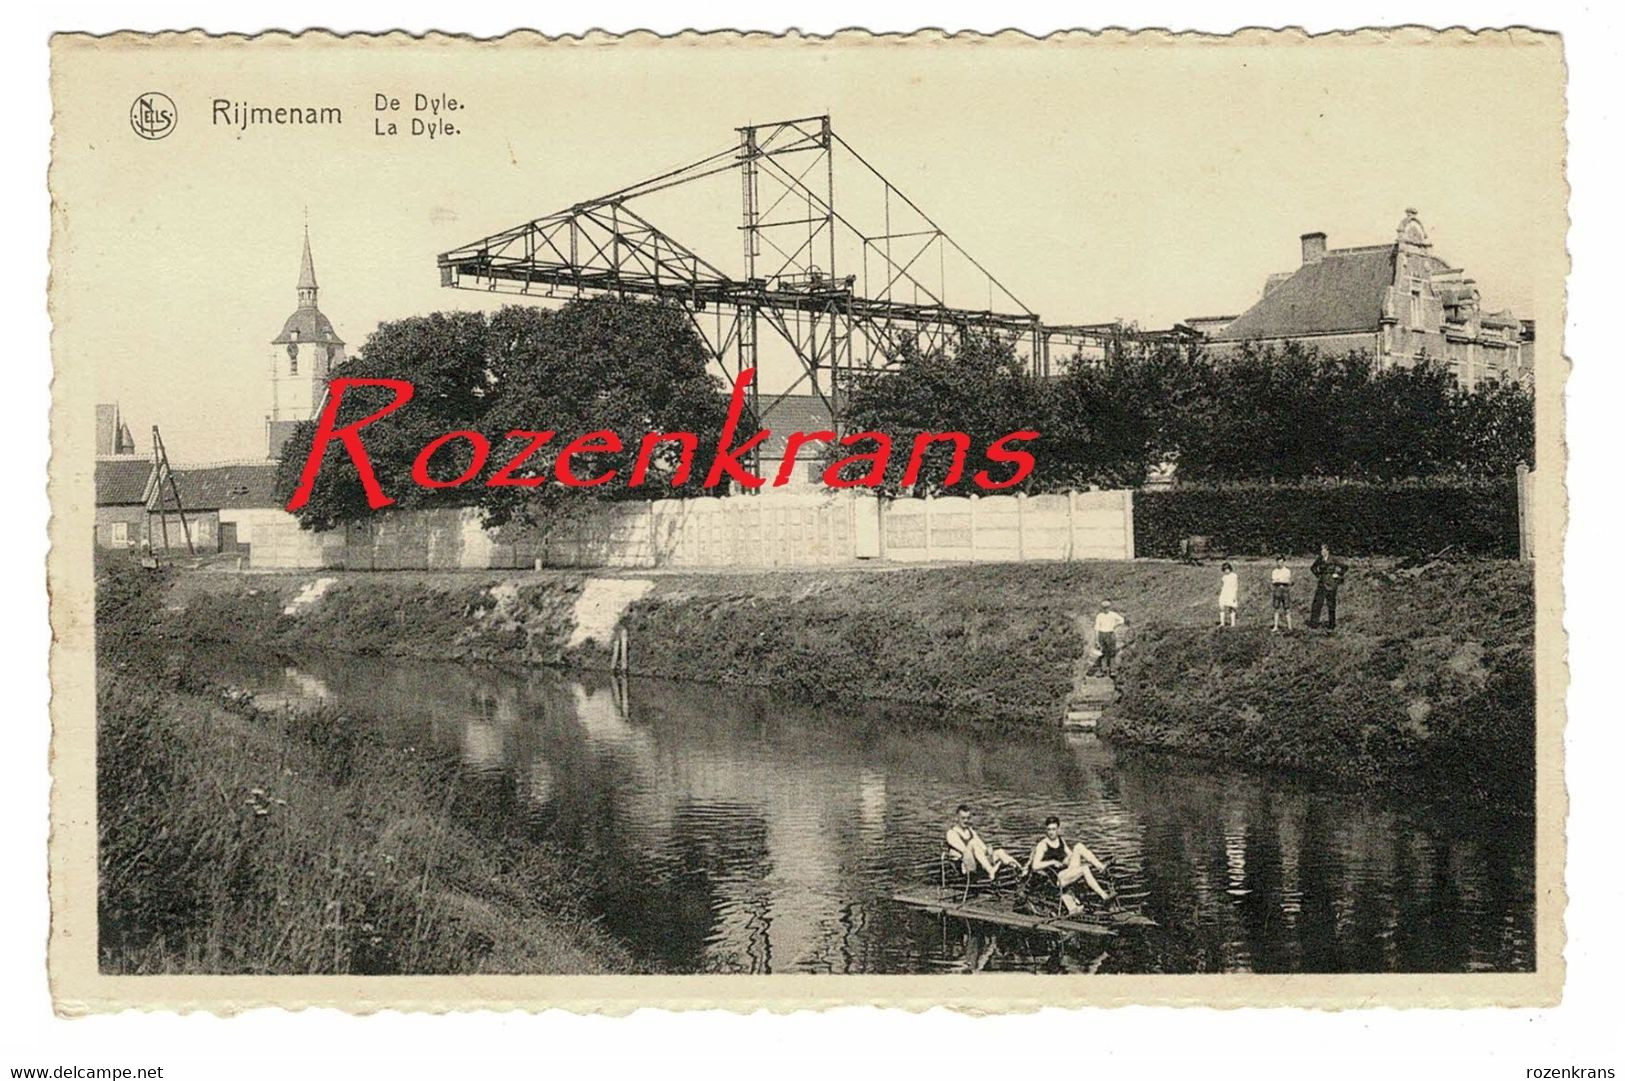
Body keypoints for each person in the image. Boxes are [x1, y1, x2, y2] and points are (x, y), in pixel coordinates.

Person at [1028, 815, 1112, 913]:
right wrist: (1052, 861)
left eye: (1054, 829)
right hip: (1058, 878)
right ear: (1046, 830)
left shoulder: (1060, 840)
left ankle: (1101, 867)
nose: (1051, 832)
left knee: (1079, 846)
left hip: (1065, 871)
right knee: (1084, 869)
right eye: (1049, 829)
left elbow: (1070, 855)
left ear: (1058, 829)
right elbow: (1035, 866)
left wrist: (1069, 860)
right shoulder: (1043, 845)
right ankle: (1104, 896)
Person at [945, 804, 1022, 882]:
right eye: (963, 818)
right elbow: (964, 850)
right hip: (964, 866)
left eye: (968, 818)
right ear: (957, 818)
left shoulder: (971, 831)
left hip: (976, 861)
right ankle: (991, 871)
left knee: (1000, 852)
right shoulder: (951, 833)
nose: (966, 821)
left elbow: (983, 848)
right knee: (973, 843)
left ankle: (1019, 868)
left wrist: (989, 850)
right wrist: (980, 850)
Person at [1308, 544, 1349, 630]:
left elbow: (1345, 567)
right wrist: (1318, 575)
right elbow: (1313, 568)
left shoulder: (1333, 559)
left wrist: (1338, 574)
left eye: (1323, 550)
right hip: (1321, 584)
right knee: (1317, 604)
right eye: (1321, 550)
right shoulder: (1320, 559)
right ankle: (1314, 624)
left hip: (1331, 584)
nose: (1321, 552)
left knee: (1331, 604)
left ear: (1327, 551)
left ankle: (1332, 624)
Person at [1092, 600, 1128, 677]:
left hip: (1110, 633)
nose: (1106, 609)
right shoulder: (1100, 616)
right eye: (1104, 608)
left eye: (1107, 608)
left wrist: (1115, 625)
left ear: (1109, 607)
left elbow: (1122, 620)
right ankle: (1103, 670)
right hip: (1102, 634)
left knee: (1112, 653)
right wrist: (1096, 639)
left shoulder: (1112, 615)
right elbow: (1097, 628)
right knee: (1103, 653)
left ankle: (1112, 671)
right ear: (1102, 608)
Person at [1270, 554, 1294, 633]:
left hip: (1285, 590)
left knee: (1287, 608)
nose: (1279, 564)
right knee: (1276, 608)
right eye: (1278, 562)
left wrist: (1280, 581)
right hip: (1277, 590)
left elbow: (1287, 581)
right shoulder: (1274, 571)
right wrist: (1281, 581)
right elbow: (1274, 581)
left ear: (1284, 562)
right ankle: (1276, 626)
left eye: (1281, 562)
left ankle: (1289, 626)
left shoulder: (1287, 571)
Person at [1218, 562, 1239, 627]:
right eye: (1225, 570)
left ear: (1230, 569)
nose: (1226, 571)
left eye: (1227, 569)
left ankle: (1233, 623)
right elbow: (1223, 585)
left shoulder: (1234, 576)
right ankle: (1222, 623)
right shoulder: (1224, 577)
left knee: (1232, 608)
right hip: (1224, 593)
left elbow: (1235, 586)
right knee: (1221, 607)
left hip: (1231, 592)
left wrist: (1234, 595)